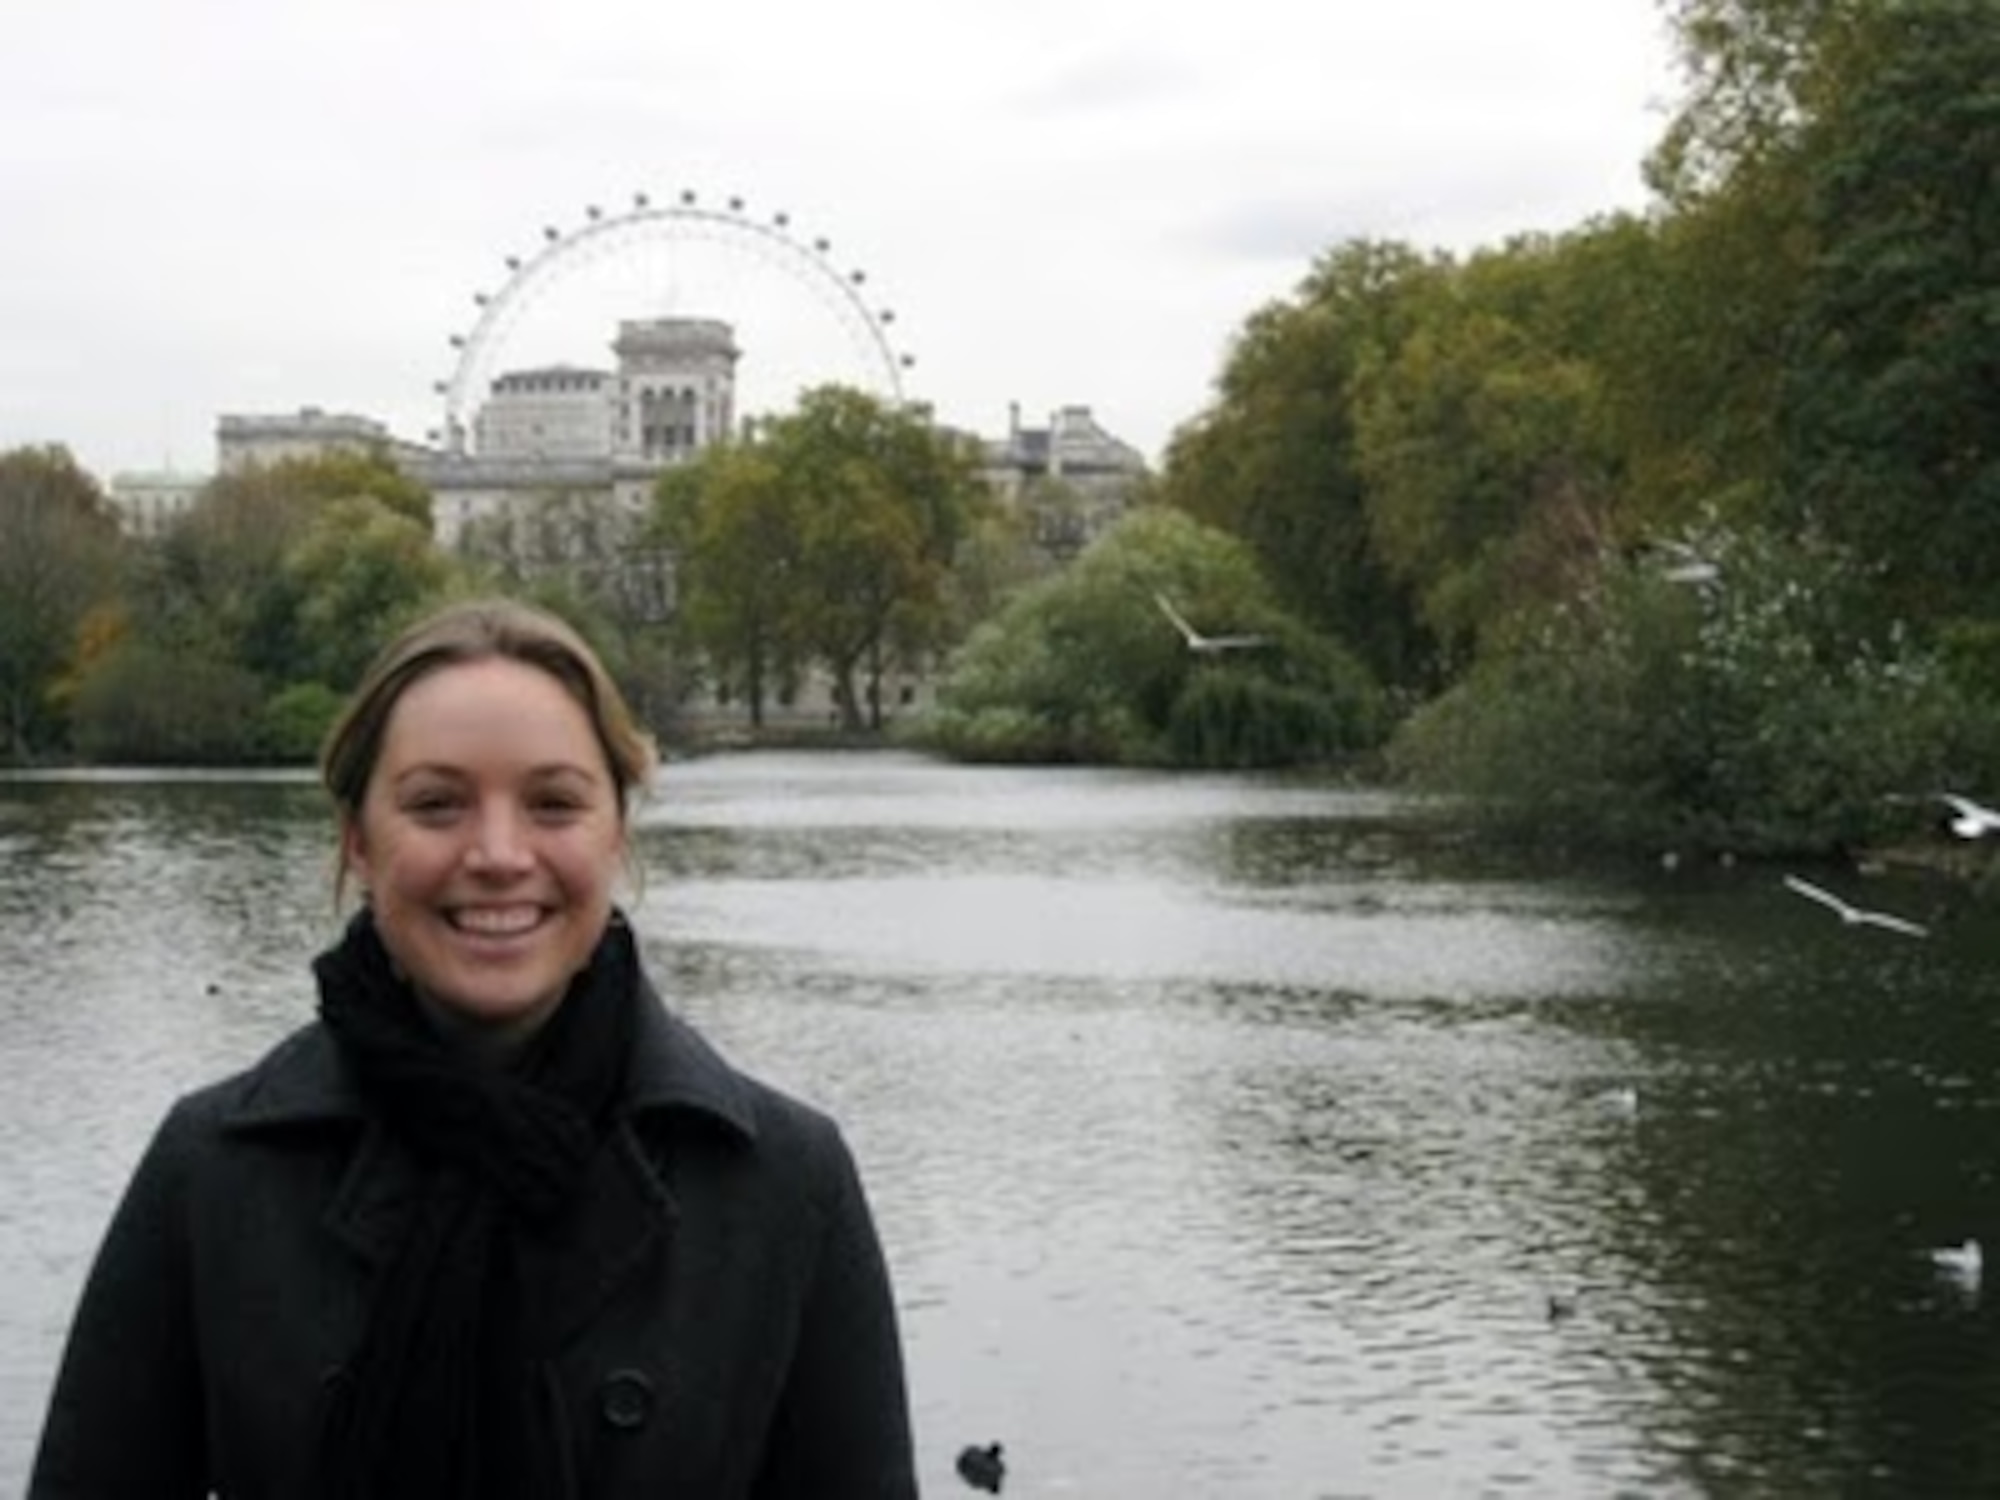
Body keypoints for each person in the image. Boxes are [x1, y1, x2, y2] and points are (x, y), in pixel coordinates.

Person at [30, 597, 919, 1499]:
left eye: (553, 803)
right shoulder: (215, 1170)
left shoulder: (781, 1182)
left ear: (617, 833)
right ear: (359, 844)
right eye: (437, 804)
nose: (498, 853)